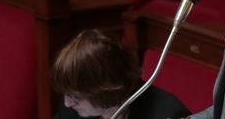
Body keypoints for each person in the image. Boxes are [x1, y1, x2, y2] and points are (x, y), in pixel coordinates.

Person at [52, 29, 191, 119]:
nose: (67, 103)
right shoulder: (71, 110)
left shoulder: (167, 114)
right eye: (66, 93)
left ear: (104, 90)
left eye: (76, 97)